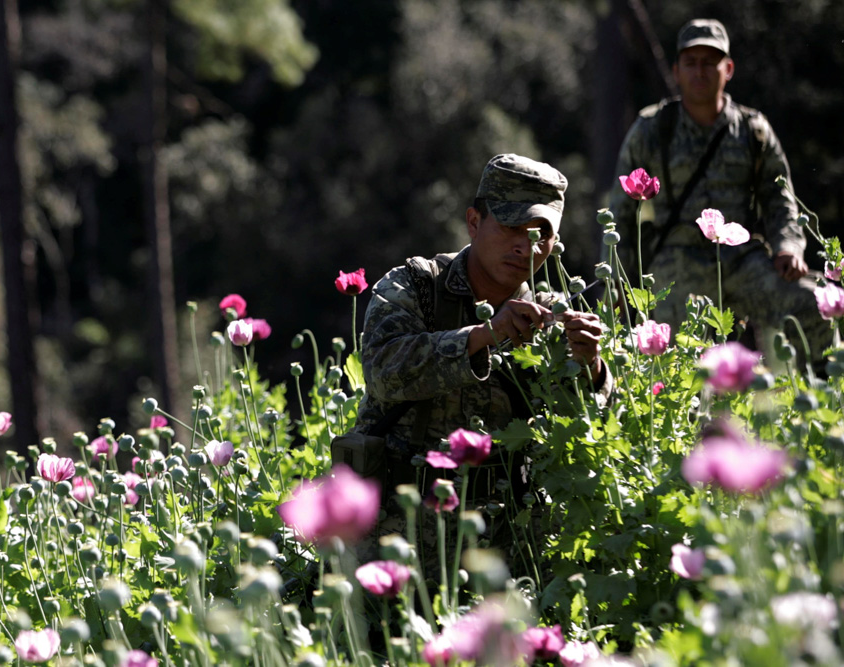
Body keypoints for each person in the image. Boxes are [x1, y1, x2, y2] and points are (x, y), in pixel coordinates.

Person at [351, 154, 611, 560]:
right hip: (396, 535)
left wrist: (590, 367)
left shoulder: (552, 319)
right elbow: (383, 373)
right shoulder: (416, 287)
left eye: (541, 234)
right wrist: (484, 335)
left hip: (504, 545)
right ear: (474, 222)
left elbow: (585, 430)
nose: (525, 246)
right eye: (511, 226)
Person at [609, 18, 829, 365]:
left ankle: (821, 393)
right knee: (674, 358)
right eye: (691, 62)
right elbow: (620, 214)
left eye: (710, 62)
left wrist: (788, 246)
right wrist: (616, 287)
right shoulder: (652, 129)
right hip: (676, 264)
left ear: (728, 69)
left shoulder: (753, 130)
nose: (700, 71)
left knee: (817, 305)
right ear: (677, 70)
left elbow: (779, 197)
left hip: (742, 261)